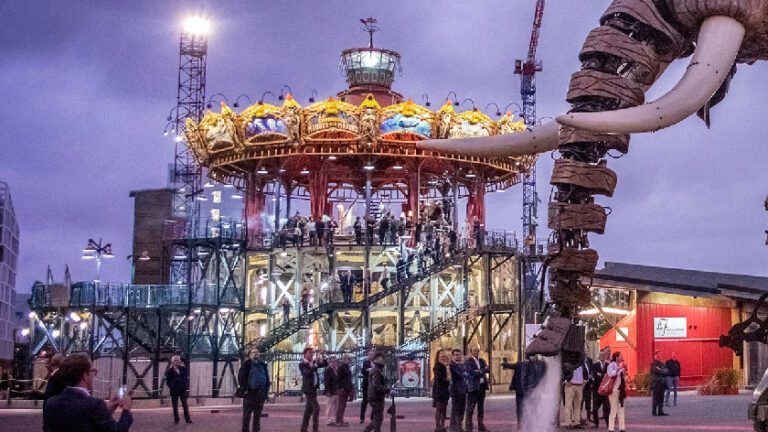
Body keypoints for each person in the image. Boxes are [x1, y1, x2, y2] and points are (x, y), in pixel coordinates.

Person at [43, 353, 133, 432]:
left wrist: (108, 410)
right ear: (85, 375)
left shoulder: (51, 403)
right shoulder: (95, 405)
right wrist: (126, 410)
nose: (94, 375)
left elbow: (84, 420)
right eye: (93, 371)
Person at [238, 348, 270, 432]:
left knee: (257, 417)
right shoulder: (247, 365)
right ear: (250, 354)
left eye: (257, 352)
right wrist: (245, 389)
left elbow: (267, 379)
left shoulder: (262, 365)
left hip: (260, 395)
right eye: (253, 352)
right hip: (250, 394)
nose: (255, 354)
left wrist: (265, 393)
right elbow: (241, 377)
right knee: (246, 416)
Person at [300, 348, 329, 432]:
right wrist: (315, 365)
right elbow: (307, 373)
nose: (312, 355)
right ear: (305, 354)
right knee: (316, 408)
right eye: (310, 353)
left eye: (312, 353)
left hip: (313, 388)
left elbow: (325, 364)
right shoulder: (302, 364)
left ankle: (303, 428)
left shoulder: (312, 362)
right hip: (308, 388)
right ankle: (315, 429)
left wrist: (323, 355)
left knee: (308, 409)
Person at [362, 351, 390, 432]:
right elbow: (376, 386)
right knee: (377, 420)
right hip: (376, 398)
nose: (383, 360)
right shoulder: (376, 371)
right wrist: (387, 390)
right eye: (381, 359)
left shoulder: (377, 370)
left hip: (376, 397)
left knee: (377, 419)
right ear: (376, 359)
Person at [464, 346, 490, 432]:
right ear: (471, 352)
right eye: (474, 350)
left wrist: (480, 371)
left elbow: (488, 369)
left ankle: (481, 426)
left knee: (481, 408)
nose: (476, 352)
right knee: (470, 408)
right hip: (473, 388)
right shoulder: (468, 361)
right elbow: (471, 372)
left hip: (482, 387)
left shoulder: (481, 360)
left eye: (477, 350)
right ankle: (468, 427)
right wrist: (482, 371)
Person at [165, 355, 192, 424]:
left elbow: (186, 377)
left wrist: (185, 386)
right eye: (175, 360)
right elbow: (168, 381)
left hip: (182, 389)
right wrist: (172, 386)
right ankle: (176, 419)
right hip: (174, 391)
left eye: (178, 360)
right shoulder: (170, 371)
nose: (177, 362)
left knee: (185, 405)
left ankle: (187, 419)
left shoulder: (183, 369)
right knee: (175, 406)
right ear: (172, 362)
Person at [562, 358, 588, 429]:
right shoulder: (567, 362)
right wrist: (566, 380)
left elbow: (585, 372)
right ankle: (568, 422)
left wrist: (585, 381)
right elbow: (563, 371)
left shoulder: (581, 362)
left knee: (578, 405)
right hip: (570, 385)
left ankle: (577, 422)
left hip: (579, 385)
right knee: (568, 404)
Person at [606, 352, 627, 432]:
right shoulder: (612, 365)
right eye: (620, 355)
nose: (622, 357)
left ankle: (622, 428)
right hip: (613, 390)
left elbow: (623, 378)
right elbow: (610, 374)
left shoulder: (621, 365)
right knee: (613, 409)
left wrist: (624, 373)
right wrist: (618, 369)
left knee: (621, 409)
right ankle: (611, 428)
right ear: (617, 357)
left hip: (620, 391)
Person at [433, 349, 451, 432]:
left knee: (444, 408)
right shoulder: (437, 366)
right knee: (439, 408)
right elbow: (439, 378)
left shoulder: (446, 365)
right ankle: (438, 426)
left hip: (445, 389)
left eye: (444, 355)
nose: (443, 356)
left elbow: (449, 376)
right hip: (439, 389)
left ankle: (442, 425)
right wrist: (447, 380)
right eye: (441, 355)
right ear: (438, 356)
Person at [592, 347, 611, 427]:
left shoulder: (608, 365)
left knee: (607, 408)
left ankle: (608, 424)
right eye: (601, 355)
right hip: (597, 390)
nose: (602, 356)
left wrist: (600, 375)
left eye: (603, 355)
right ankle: (596, 424)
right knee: (595, 408)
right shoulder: (595, 365)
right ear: (599, 356)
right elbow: (594, 375)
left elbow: (609, 376)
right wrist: (601, 375)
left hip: (605, 390)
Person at [449, 349, 467, 432]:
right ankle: (454, 428)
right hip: (455, 390)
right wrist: (464, 373)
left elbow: (466, 373)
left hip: (462, 389)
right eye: (456, 355)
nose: (458, 356)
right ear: (452, 356)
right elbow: (460, 375)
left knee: (462, 409)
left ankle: (459, 426)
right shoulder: (452, 365)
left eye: (459, 354)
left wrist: (464, 373)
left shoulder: (461, 364)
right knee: (455, 409)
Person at [335, 354, 354, 426]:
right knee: (341, 405)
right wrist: (340, 388)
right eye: (348, 359)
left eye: (350, 359)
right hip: (342, 389)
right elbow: (338, 379)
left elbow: (348, 379)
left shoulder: (347, 367)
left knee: (343, 405)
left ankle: (341, 419)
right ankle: (338, 421)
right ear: (344, 359)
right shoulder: (341, 368)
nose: (350, 360)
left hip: (347, 388)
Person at [650, 350, 669, 416]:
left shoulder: (663, 364)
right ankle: (654, 412)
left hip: (662, 383)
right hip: (656, 383)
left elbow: (667, 371)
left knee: (661, 397)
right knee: (655, 398)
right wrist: (662, 371)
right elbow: (656, 371)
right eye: (657, 355)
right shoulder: (653, 364)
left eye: (660, 355)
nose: (659, 356)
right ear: (654, 356)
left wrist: (661, 370)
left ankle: (660, 411)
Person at [323, 356, 339, 426]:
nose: (334, 363)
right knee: (329, 406)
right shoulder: (327, 370)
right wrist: (328, 391)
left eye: (335, 361)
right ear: (329, 362)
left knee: (336, 407)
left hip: (336, 391)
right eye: (332, 361)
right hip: (330, 391)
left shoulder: (336, 369)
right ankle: (329, 420)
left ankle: (336, 419)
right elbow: (326, 381)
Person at [360, 350, 375, 424]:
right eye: (370, 355)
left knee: (373, 401)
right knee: (364, 401)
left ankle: (372, 418)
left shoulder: (376, 363)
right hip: (366, 384)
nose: (371, 356)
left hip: (374, 384)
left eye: (373, 355)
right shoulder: (365, 362)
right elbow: (362, 371)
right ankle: (362, 417)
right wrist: (368, 370)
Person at [582, 355, 595, 424]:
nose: (585, 351)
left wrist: (591, 375)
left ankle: (588, 416)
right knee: (581, 400)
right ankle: (579, 417)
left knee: (588, 400)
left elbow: (592, 369)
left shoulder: (590, 360)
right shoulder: (579, 360)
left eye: (587, 348)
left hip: (588, 384)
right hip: (582, 383)